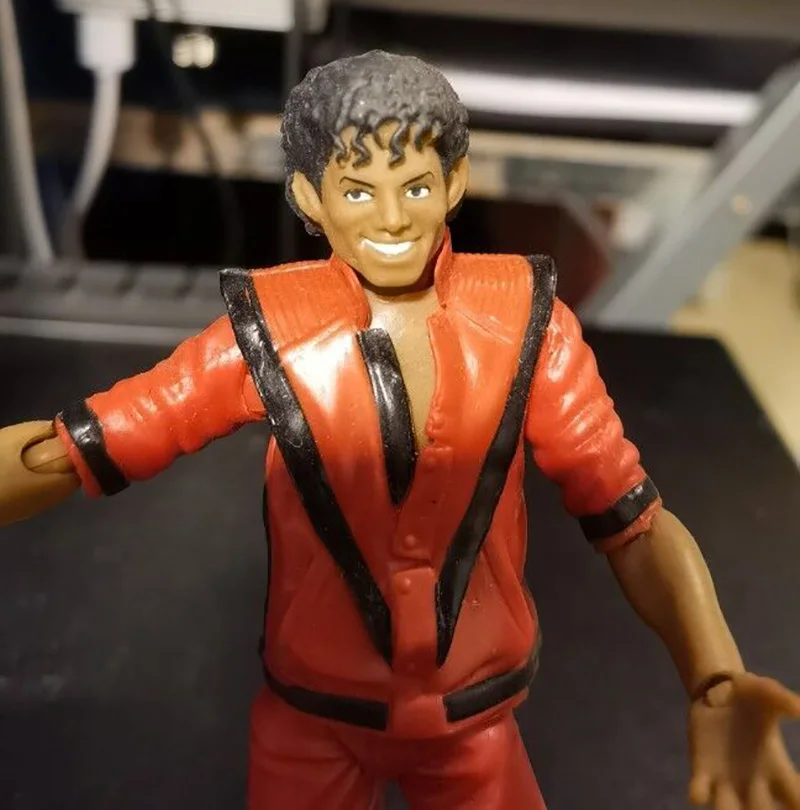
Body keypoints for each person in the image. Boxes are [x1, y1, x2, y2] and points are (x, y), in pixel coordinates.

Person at [1, 50, 798, 810]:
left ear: (454, 182)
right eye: (358, 192)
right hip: (314, 723)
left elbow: (632, 519)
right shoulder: (270, 332)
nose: (391, 217)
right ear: (309, 198)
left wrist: (714, 676)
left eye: (415, 186)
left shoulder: (527, 324)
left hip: (474, 726)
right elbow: (82, 446)